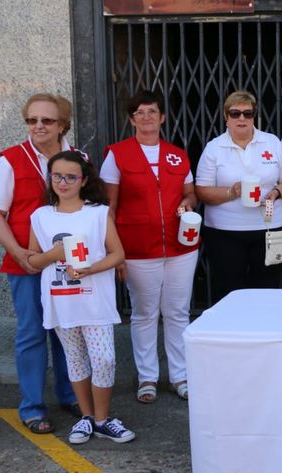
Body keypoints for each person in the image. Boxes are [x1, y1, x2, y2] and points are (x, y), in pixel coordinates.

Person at [0, 93, 78, 434]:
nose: (38, 126)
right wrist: (18, 252)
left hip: (67, 265)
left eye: (47, 120)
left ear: (62, 125)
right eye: (32, 120)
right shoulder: (10, 160)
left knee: (67, 331)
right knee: (32, 334)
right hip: (26, 265)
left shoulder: (77, 158)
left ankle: (71, 394)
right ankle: (33, 407)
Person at [28, 151, 135, 444]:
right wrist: (54, 254)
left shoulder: (98, 213)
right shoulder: (40, 217)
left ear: (83, 180)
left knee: (104, 359)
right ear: (49, 178)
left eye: (71, 177)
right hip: (61, 302)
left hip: (94, 301)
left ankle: (103, 418)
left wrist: (90, 269)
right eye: (57, 176)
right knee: (75, 359)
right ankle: (87, 418)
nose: (63, 182)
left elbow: (118, 254)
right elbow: (32, 261)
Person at [99, 90, 197, 404]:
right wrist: (115, 253)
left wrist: (186, 202)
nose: (146, 117)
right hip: (139, 248)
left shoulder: (177, 154)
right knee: (144, 314)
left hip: (182, 248)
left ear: (162, 117)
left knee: (178, 313)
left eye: (152, 111)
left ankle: (179, 376)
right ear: (131, 119)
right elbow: (108, 207)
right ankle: (147, 378)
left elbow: (191, 193)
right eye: (139, 112)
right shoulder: (117, 154)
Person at [195, 91, 282, 301]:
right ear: (226, 116)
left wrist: (276, 193)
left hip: (271, 229)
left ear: (254, 116)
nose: (241, 118)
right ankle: (232, 333)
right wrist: (230, 192)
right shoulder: (214, 148)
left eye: (247, 113)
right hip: (225, 232)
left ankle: (263, 332)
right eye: (235, 113)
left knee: (267, 288)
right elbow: (202, 191)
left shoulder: (271, 142)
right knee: (228, 290)